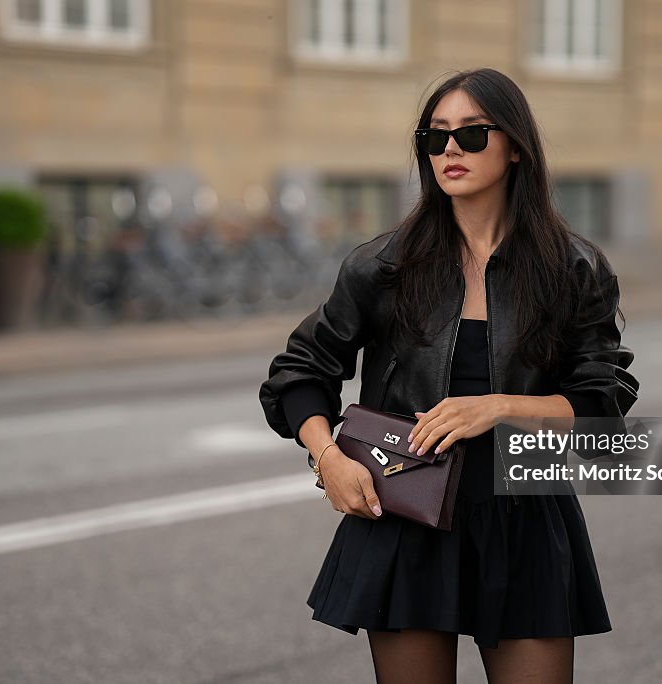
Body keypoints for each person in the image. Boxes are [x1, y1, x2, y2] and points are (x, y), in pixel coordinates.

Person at [259, 67, 639, 683]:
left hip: (525, 517)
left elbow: (603, 399)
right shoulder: (384, 266)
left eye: (471, 133)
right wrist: (327, 458)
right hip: (406, 515)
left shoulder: (573, 269)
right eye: (436, 138)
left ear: (515, 146)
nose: (451, 150)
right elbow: (301, 370)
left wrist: (497, 406)